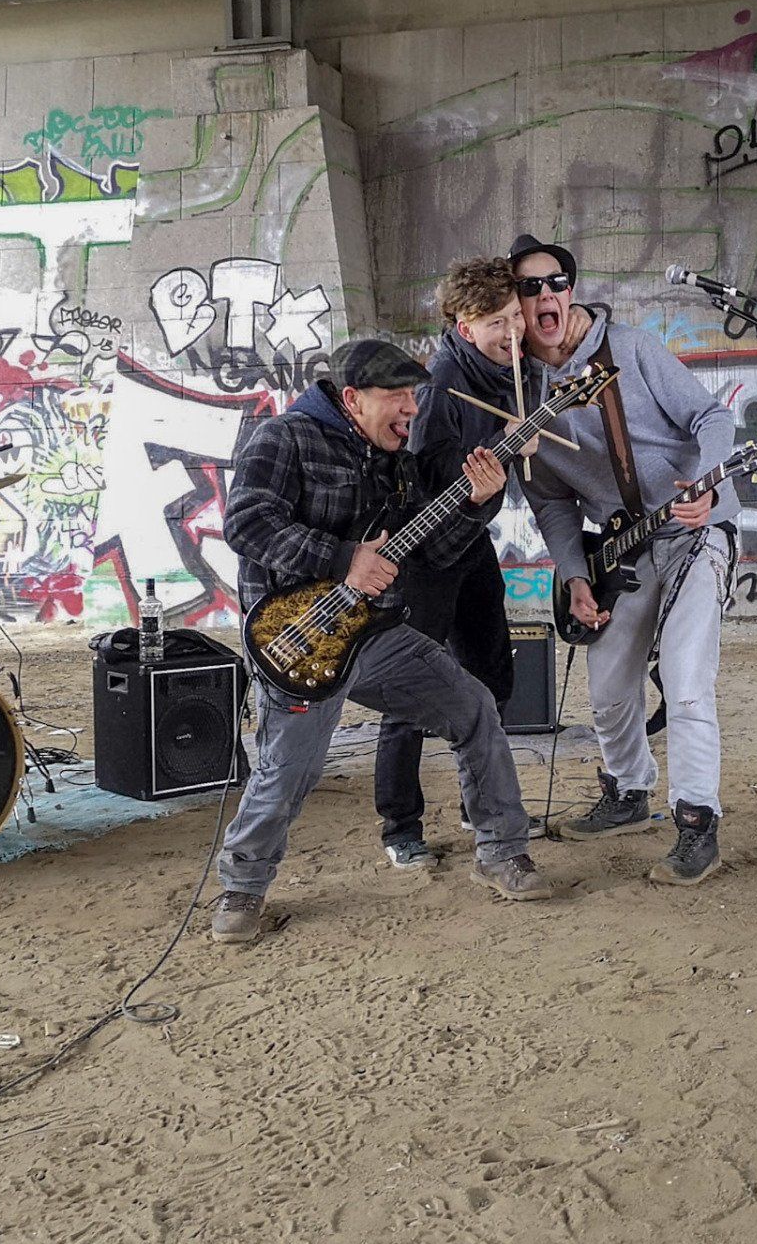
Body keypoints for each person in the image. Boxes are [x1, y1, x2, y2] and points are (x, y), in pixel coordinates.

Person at [213, 338, 550, 944]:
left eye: (413, 396)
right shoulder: (283, 438)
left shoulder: (396, 462)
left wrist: (477, 503)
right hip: (299, 639)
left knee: (474, 707)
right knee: (287, 772)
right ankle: (242, 887)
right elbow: (245, 522)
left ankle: (503, 851)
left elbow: (434, 550)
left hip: (378, 634)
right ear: (352, 398)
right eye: (397, 397)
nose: (412, 410)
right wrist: (344, 558)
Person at [509, 233, 737, 886]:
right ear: (514, 306)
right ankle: (628, 791)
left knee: (687, 680)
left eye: (556, 282)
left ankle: (696, 822)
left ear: (570, 290)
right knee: (608, 688)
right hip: (622, 548)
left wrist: (709, 483)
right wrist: (575, 576)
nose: (546, 295)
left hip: (694, 530)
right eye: (529, 287)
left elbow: (710, 418)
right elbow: (551, 504)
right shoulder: (519, 401)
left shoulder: (631, 349)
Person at [373, 259, 532, 868]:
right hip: (423, 558)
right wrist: (494, 462)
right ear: (465, 328)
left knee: (492, 674)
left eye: (515, 316)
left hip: (470, 544)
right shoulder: (440, 387)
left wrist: (512, 449)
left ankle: (479, 804)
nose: (513, 331)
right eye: (497, 322)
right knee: (409, 693)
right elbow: (427, 484)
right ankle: (400, 827)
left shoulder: (505, 374)